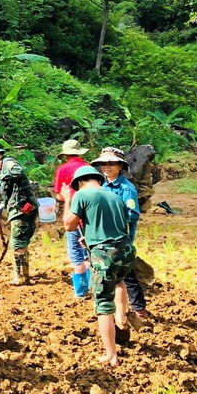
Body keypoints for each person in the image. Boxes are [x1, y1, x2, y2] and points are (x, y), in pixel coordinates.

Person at [66, 165, 135, 367]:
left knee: (103, 304)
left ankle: (111, 355)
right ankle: (122, 320)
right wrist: (90, 239)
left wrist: (68, 200)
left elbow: (69, 225)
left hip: (104, 255)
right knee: (119, 281)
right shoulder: (114, 195)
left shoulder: (82, 194)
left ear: (79, 183)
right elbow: (124, 226)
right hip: (126, 250)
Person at [92, 148, 147, 323]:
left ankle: (138, 309)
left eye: (111, 164)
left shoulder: (126, 188)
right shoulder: (102, 186)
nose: (106, 167)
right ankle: (121, 311)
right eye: (103, 164)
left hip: (122, 238)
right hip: (104, 238)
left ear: (119, 166)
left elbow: (133, 214)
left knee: (126, 276)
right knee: (116, 276)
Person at [0, 144, 38, 285]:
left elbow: (18, 172)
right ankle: (24, 274)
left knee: (17, 242)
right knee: (20, 242)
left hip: (23, 209)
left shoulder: (8, 163)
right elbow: (12, 191)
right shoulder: (4, 166)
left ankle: (21, 277)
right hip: (18, 207)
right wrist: (1, 206)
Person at [53, 140, 92, 298]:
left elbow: (59, 195)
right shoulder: (89, 168)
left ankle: (81, 291)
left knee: (76, 254)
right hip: (90, 214)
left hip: (73, 213)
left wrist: (68, 197)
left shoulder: (63, 169)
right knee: (88, 251)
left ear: (65, 154)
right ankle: (91, 285)